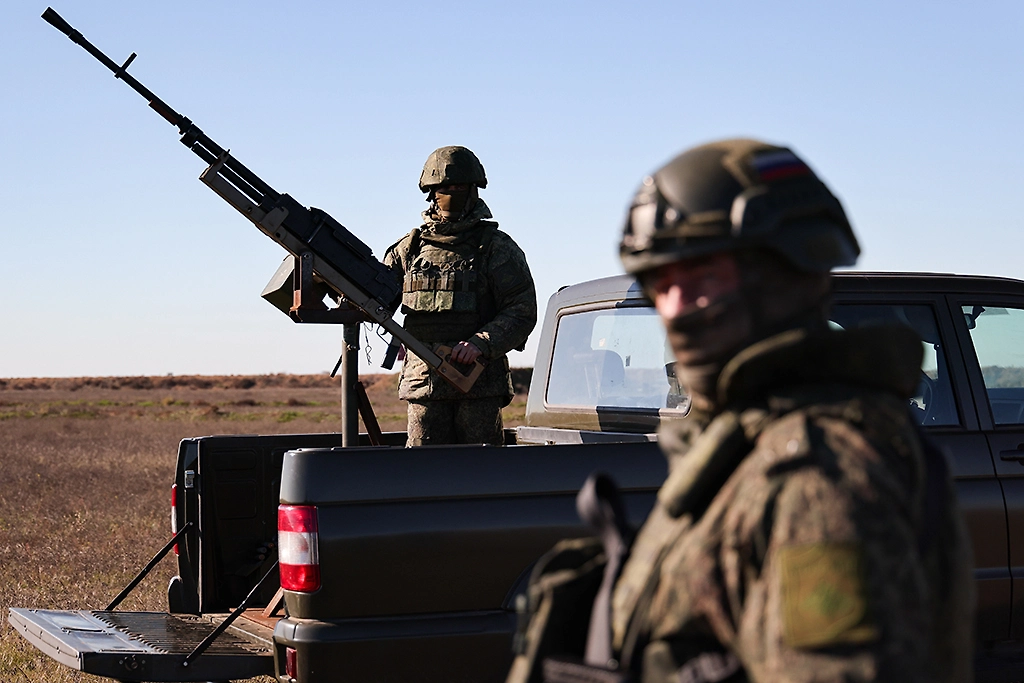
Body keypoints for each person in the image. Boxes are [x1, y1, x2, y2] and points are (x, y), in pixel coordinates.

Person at [508, 139, 974, 683]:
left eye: (703, 275)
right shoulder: (741, 447)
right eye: (662, 283)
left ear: (785, 274)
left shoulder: (816, 482)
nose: (675, 308)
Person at [384, 146, 537, 446]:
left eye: (459, 188)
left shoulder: (496, 247)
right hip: (424, 385)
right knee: (423, 469)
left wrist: (481, 343)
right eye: (444, 188)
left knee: (482, 470)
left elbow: (521, 309)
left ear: (473, 191)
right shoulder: (409, 249)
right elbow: (374, 296)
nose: (451, 194)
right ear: (431, 193)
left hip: (478, 386)